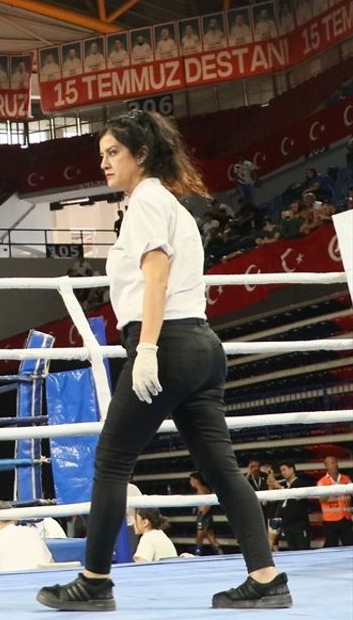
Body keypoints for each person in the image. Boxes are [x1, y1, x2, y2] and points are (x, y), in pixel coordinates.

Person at [35, 109, 290, 612]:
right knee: (222, 469)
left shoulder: (148, 201)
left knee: (110, 462)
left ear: (142, 154)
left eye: (114, 153)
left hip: (167, 343)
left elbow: (156, 278)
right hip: (199, 344)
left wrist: (147, 349)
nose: (105, 163)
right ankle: (267, 578)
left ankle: (94, 582)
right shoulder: (166, 203)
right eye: (102, 154)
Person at [0, 502, 54, 573]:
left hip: (15, 588)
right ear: (15, 519)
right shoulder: (33, 534)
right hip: (41, 587)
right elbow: (51, 566)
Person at [273, 461, 313, 550]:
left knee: (303, 550)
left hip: (299, 525)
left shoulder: (301, 483)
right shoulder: (284, 486)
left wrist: (280, 488)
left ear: (291, 469)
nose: (283, 473)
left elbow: (295, 497)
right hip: (287, 526)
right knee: (293, 551)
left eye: (284, 470)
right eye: (281, 471)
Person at [317, 455, 353, 547]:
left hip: (346, 518)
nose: (335, 465)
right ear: (326, 466)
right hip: (330, 520)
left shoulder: (346, 479)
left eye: (336, 462)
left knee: (349, 545)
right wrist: (332, 489)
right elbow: (321, 500)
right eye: (332, 463)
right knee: (331, 546)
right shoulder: (322, 482)